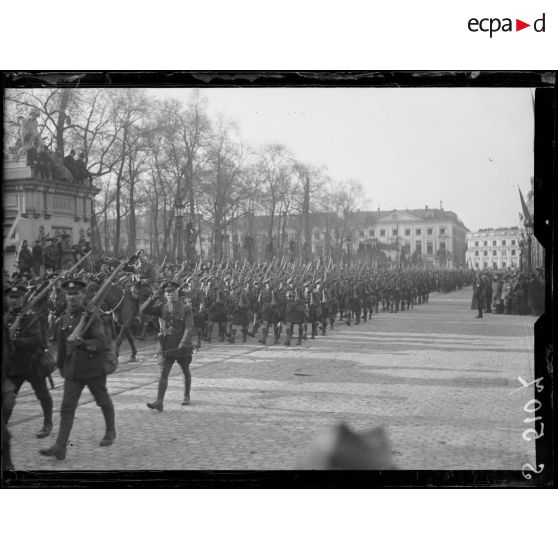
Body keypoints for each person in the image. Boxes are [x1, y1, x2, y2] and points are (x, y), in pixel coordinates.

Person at [39, 279, 116, 460]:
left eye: (76, 294)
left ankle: (111, 431)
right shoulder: (64, 318)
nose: (72, 297)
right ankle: (60, 447)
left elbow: (102, 343)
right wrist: (59, 366)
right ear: (65, 297)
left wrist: (83, 344)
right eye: (69, 294)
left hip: (93, 369)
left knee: (102, 399)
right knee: (67, 408)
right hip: (73, 371)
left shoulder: (92, 317)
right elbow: (61, 345)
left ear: (83, 296)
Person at [3, 283, 54, 440]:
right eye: (11, 297)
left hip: (32, 364)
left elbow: (37, 340)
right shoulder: (5, 318)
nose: (14, 300)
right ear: (6, 299)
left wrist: (16, 341)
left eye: (17, 297)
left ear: (22, 298)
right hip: (14, 366)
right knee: (8, 398)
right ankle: (3, 426)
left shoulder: (30, 316)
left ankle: (47, 424)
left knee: (43, 395)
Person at [140, 280, 194, 411]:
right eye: (167, 292)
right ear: (164, 294)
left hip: (182, 345)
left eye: (172, 291)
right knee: (163, 373)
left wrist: (183, 342)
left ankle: (186, 395)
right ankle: (159, 401)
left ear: (177, 292)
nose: (170, 294)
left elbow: (189, 327)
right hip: (166, 345)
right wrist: (154, 296)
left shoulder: (186, 308)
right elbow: (144, 310)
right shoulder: (162, 307)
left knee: (185, 370)